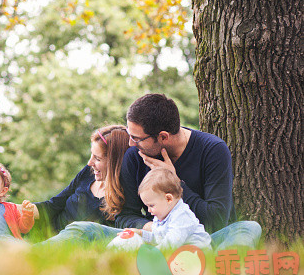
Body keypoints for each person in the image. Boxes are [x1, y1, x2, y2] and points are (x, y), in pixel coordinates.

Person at [43, 94, 261, 250]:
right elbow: (124, 215)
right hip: (155, 238)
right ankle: (29, 255)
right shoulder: (134, 155)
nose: (130, 143)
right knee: (82, 229)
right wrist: (154, 231)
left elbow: (217, 220)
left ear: (163, 137)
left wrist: (176, 183)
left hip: (202, 241)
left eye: (136, 138)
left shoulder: (212, 150)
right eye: (130, 134)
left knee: (248, 228)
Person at [29, 125, 129, 237]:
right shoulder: (88, 173)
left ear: (114, 163)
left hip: (66, 246)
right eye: (92, 155)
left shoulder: (124, 196)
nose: (90, 163)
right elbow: (54, 205)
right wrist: (16, 210)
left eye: (97, 158)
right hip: (44, 231)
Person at [107, 168, 211, 250]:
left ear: (168, 199)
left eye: (151, 205)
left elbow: (170, 244)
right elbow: (158, 238)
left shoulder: (181, 216)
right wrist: (141, 233)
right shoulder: (162, 215)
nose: (148, 210)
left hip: (197, 257)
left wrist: (151, 254)